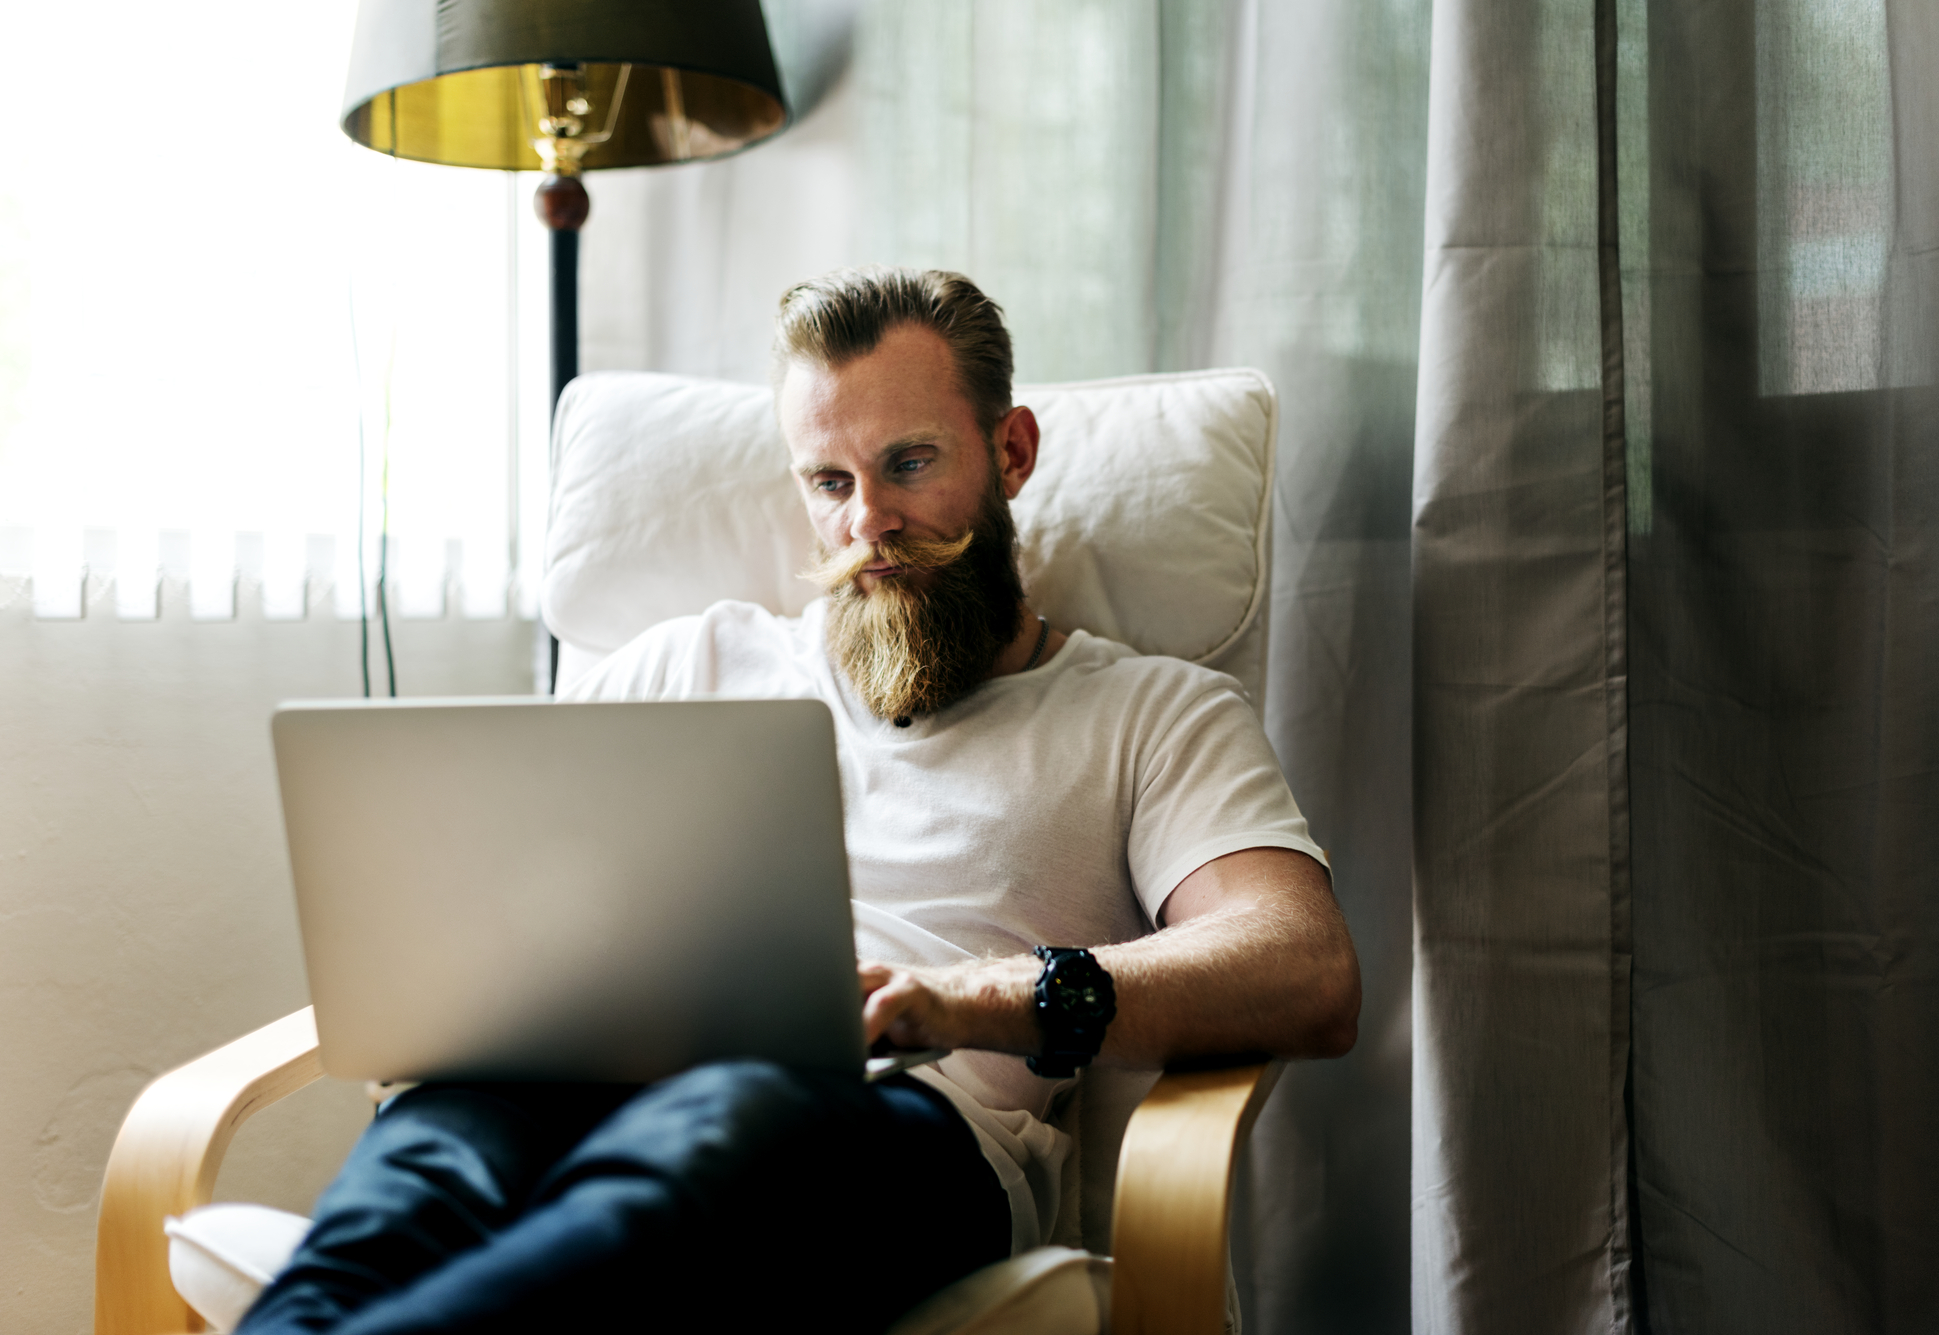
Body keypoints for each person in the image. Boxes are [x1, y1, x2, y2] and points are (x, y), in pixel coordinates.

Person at [238, 267, 1361, 1334]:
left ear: (1008, 450)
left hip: (899, 1131)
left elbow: (1300, 967)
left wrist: (962, 1000)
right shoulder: (689, 662)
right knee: (424, 1160)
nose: (868, 521)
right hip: (586, 1082)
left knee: (716, 1128)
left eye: (908, 462)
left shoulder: (1152, 712)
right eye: (831, 482)